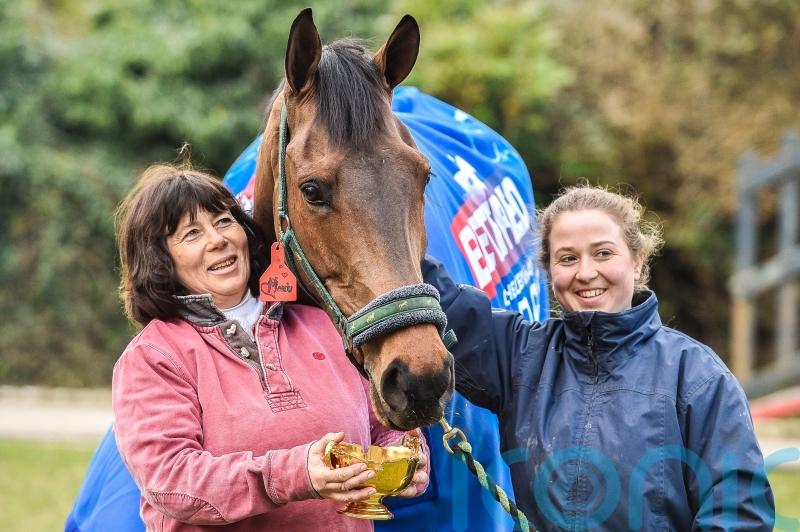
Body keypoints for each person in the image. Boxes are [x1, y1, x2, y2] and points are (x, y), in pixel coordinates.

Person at [422, 185, 775, 530]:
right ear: (549, 270)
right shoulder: (521, 355)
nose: (586, 273)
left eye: (603, 253)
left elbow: (738, 515)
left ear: (637, 260)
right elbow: (435, 297)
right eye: (568, 258)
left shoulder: (697, 377)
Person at [112, 164, 428, 531]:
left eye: (224, 221)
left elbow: (383, 423)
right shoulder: (153, 357)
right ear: (160, 259)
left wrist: (405, 454)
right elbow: (171, 480)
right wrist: (295, 474)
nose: (217, 240)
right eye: (192, 233)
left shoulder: (325, 325)